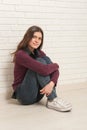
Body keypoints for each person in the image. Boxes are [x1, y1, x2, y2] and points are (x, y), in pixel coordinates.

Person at [11, 25, 72, 112]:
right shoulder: (21, 54)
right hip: (24, 96)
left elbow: (55, 71)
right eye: (34, 37)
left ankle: (52, 99)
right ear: (28, 37)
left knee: (43, 61)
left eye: (40, 38)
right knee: (41, 63)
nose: (37, 41)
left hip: (38, 95)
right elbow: (44, 70)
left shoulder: (39, 52)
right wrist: (56, 65)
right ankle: (52, 99)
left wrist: (51, 85)